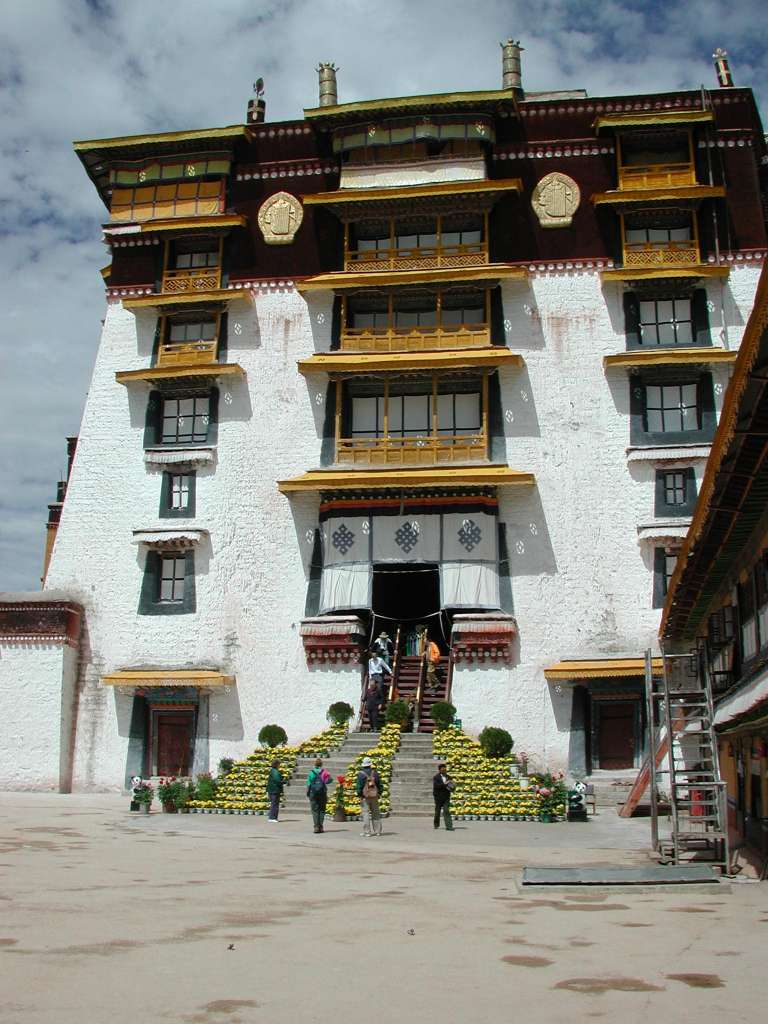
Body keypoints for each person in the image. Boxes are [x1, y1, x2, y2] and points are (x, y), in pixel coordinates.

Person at [356, 756, 384, 837]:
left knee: (366, 814)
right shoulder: (375, 773)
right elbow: (380, 785)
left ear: (363, 765)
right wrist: (379, 793)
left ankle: (367, 832)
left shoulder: (361, 774)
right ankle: (377, 831)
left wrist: (360, 795)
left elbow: (359, 787)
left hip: (365, 797)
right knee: (376, 813)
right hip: (374, 796)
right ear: (370, 764)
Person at [366, 651, 391, 731]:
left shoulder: (380, 660)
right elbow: (370, 669)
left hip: (379, 675)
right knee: (371, 688)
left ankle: (380, 702)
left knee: (379, 688)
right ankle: (372, 727)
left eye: (374, 655)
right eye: (372, 655)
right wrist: (370, 677)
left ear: (376, 655)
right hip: (373, 675)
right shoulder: (370, 661)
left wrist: (390, 672)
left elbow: (385, 666)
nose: (373, 656)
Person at [306, 758, 328, 833]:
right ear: (321, 764)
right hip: (322, 793)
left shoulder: (311, 773)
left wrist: (308, 793)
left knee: (315, 810)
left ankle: (316, 827)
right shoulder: (324, 772)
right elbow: (329, 780)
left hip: (313, 793)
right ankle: (321, 827)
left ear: (315, 764)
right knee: (322, 810)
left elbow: (308, 784)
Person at [433, 762, 455, 831]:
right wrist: (445, 784)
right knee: (437, 811)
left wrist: (453, 787)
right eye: (442, 770)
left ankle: (449, 826)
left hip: (446, 797)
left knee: (446, 811)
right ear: (439, 770)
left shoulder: (449, 777)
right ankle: (436, 824)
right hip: (438, 797)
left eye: (445, 770)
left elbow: (451, 786)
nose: (444, 771)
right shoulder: (436, 777)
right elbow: (437, 786)